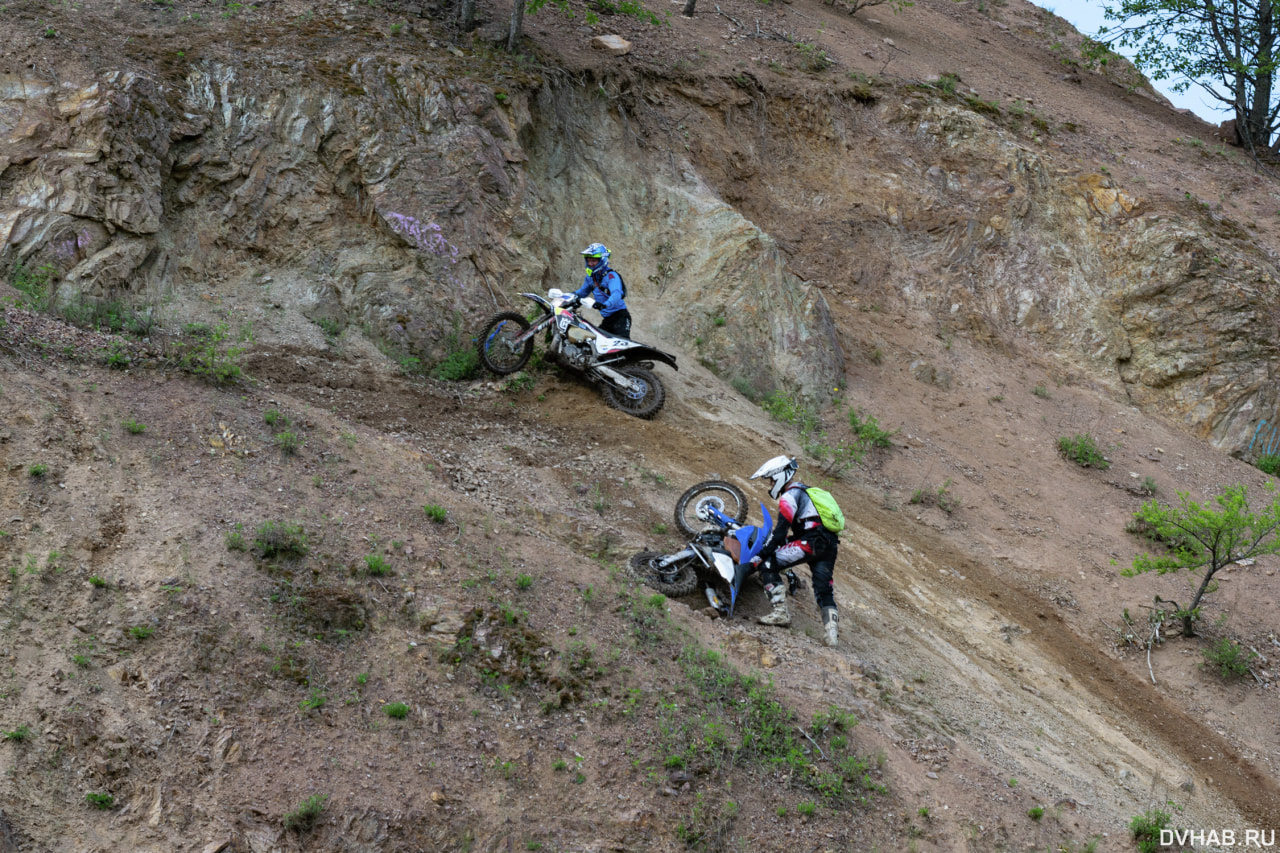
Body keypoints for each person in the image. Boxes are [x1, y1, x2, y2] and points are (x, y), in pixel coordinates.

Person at [746, 455, 841, 647]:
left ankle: (781, 614)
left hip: (811, 542)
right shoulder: (805, 491)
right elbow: (803, 528)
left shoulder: (789, 496)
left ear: (780, 476)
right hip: (829, 544)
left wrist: (761, 555)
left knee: (768, 564)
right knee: (824, 589)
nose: (771, 483)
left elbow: (780, 532)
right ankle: (831, 636)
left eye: (772, 479)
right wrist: (785, 542)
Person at [567, 242, 631, 339]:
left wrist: (604, 305)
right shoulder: (591, 278)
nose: (590, 263)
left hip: (621, 317)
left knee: (622, 345)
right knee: (597, 343)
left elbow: (617, 294)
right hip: (607, 320)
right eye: (588, 260)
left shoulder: (611, 276)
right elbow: (581, 293)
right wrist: (566, 296)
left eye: (593, 260)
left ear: (602, 260)